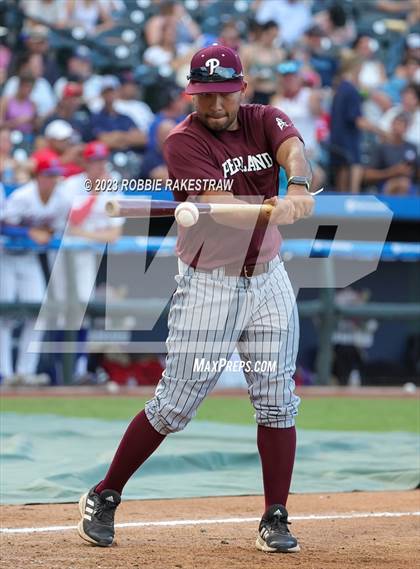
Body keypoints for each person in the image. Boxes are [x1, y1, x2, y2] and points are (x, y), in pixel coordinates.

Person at [77, 44, 314, 554]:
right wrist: (275, 210)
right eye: (204, 95)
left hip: (268, 277)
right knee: (175, 404)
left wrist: (296, 183)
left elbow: (293, 146)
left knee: (277, 400)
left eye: (224, 93)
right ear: (193, 93)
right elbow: (222, 210)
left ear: (240, 88)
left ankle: (275, 515)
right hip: (211, 281)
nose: (215, 105)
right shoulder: (182, 141)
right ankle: (106, 493)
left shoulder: (263, 117)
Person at [0, 150, 67, 384]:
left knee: (38, 313)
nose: (53, 179)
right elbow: (3, 225)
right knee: (5, 316)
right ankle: (5, 374)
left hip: (29, 258)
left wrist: (43, 233)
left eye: (55, 175)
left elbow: (56, 228)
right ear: (38, 175)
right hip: (6, 257)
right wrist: (28, 231)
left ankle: (26, 372)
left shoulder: (60, 199)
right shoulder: (22, 196)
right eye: (49, 174)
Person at [364, 112, 419, 194]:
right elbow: (367, 175)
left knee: (404, 183)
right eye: (397, 124)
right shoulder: (381, 148)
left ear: (407, 128)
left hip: (410, 185)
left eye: (402, 125)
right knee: (401, 184)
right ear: (392, 125)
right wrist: (393, 172)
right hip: (385, 184)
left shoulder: (412, 147)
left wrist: (411, 172)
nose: (398, 127)